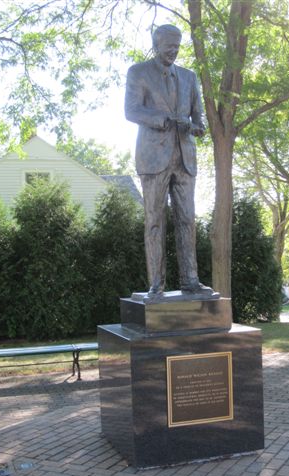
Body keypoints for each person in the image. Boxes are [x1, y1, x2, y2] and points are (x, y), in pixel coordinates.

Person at [125, 24, 213, 298]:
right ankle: (156, 283)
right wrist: (161, 120)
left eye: (177, 47)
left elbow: (199, 119)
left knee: (187, 220)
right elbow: (131, 110)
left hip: (185, 158)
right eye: (168, 47)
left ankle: (190, 280)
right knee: (155, 221)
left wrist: (197, 127)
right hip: (153, 158)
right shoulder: (138, 72)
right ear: (156, 45)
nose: (173, 51)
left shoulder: (188, 77)